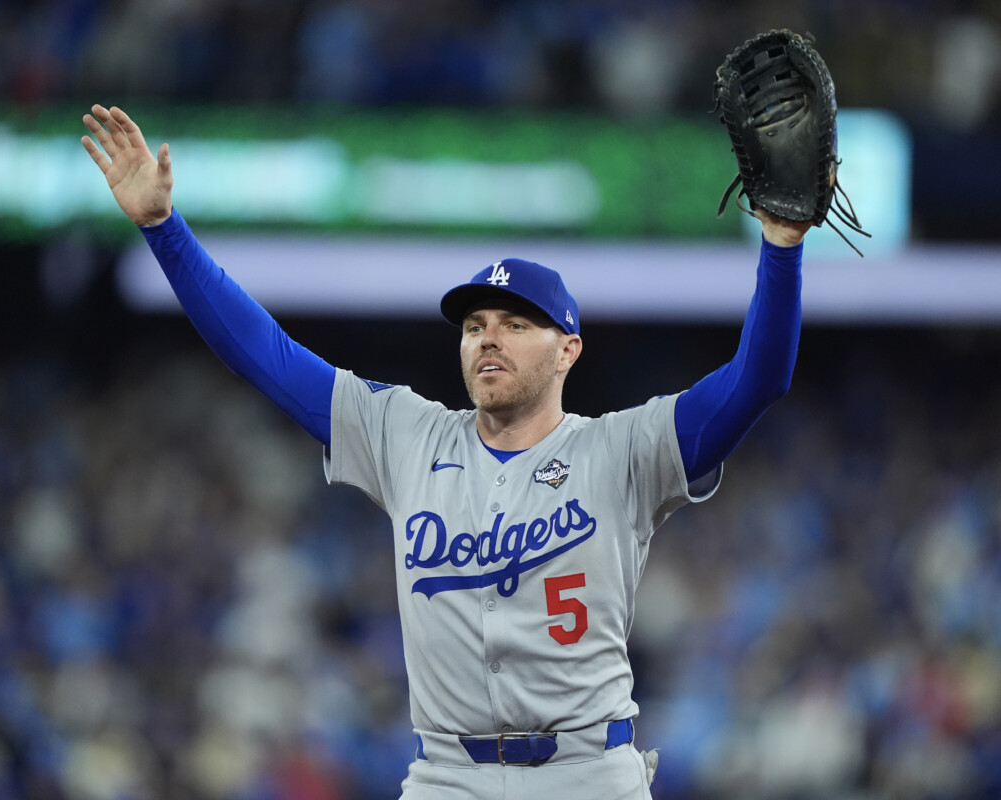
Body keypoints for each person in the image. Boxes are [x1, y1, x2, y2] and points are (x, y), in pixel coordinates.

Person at [81, 104, 809, 800]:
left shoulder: (626, 447)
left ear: (569, 350)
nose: (488, 336)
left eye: (516, 323)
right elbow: (263, 353)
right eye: (475, 325)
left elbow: (759, 379)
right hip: (447, 774)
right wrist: (162, 228)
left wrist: (781, 250)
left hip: (588, 771)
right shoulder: (405, 432)